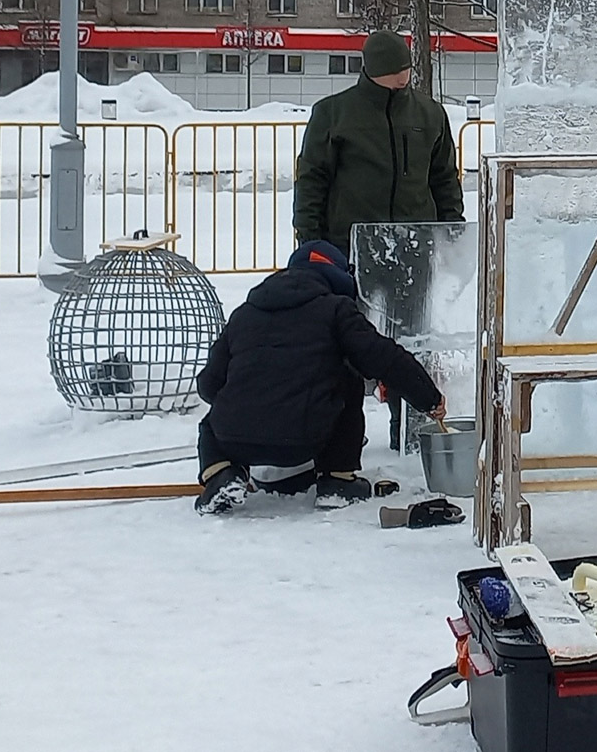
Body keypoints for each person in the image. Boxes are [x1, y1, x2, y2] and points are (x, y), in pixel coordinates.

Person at [292, 30, 465, 449]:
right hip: (346, 253)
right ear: (371, 72)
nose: (402, 79)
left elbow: (443, 177)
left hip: (413, 249)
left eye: (405, 70)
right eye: (393, 73)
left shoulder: (429, 115)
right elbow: (312, 179)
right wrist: (310, 239)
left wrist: (451, 226)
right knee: (344, 345)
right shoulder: (334, 115)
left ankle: (407, 430)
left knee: (411, 344)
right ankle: (338, 435)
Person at [193, 240, 447, 515]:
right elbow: (385, 358)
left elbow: (208, 385)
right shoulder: (336, 310)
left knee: (217, 414)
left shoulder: (244, 314)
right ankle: (337, 481)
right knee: (348, 379)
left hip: (235, 437)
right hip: (307, 437)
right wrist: (429, 398)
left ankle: (220, 474)